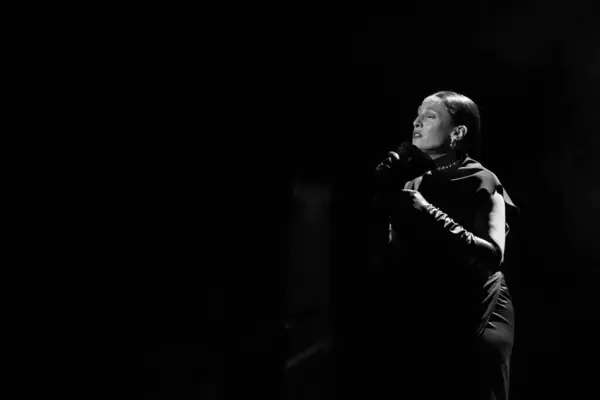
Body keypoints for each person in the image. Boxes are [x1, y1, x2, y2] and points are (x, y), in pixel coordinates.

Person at [368, 91, 519, 399]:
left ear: (458, 132)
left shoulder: (482, 180)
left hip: (478, 311)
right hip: (428, 315)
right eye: (417, 114)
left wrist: (428, 213)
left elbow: (492, 255)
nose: (417, 122)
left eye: (430, 116)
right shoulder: (413, 183)